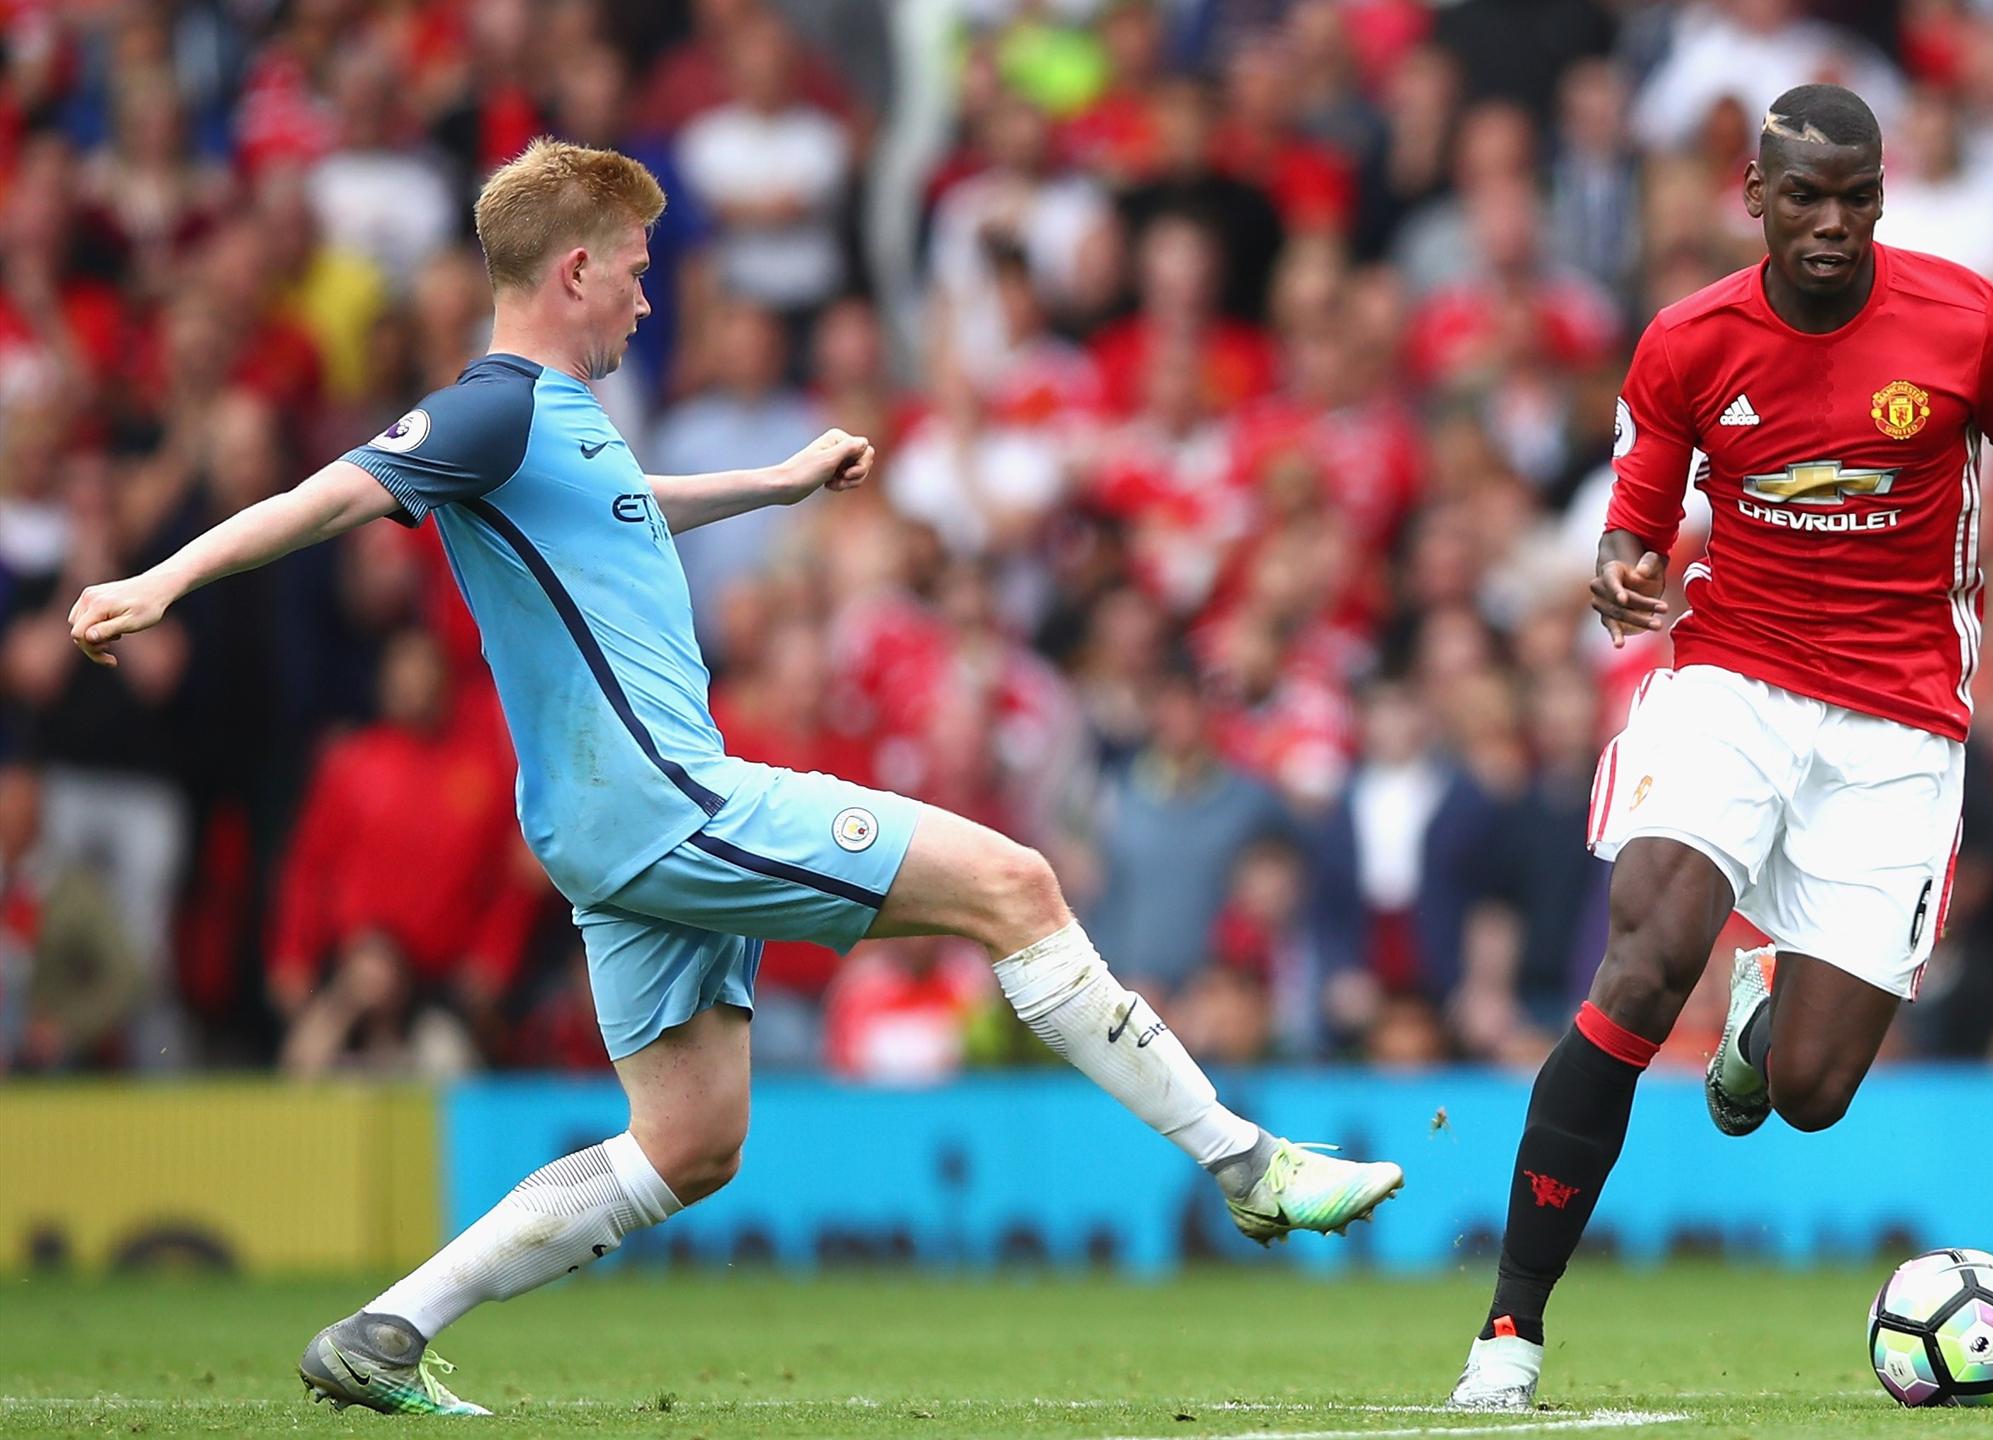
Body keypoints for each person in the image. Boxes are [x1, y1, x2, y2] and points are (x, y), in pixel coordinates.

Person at [66, 139, 1403, 1417]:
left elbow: (624, 505)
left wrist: (773, 482)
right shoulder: (489, 405)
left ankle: (385, 1331)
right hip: (664, 802)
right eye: (635, 270)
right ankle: (1247, 1162)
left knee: (690, 1142)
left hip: (610, 824)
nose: (650, 298)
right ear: (574, 269)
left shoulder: (552, 425)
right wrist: (160, 580)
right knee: (1015, 884)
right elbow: (336, 492)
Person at [1446, 83, 1993, 1411]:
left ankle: (1764, 1019)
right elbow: (1633, 521)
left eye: (1856, 198)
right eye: (1805, 197)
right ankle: (1509, 1331)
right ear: (1754, 197)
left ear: (1883, 199)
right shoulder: (1687, 341)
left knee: (1810, 1091)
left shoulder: (1973, 325)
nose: (1832, 223)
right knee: (1644, 961)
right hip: (1733, 680)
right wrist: (1622, 570)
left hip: (1901, 718)